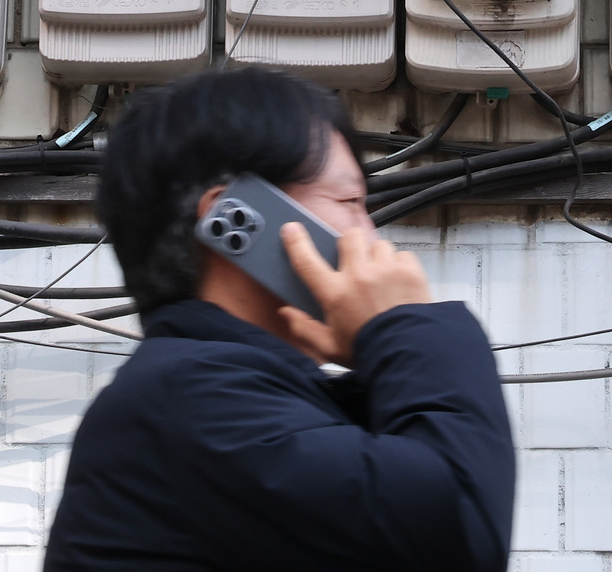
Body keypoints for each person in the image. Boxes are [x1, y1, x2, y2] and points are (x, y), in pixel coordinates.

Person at [43, 67, 516, 572]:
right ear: (238, 221)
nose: (372, 240)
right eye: (350, 202)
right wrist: (404, 323)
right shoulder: (192, 402)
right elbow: (459, 528)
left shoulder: (224, 398)